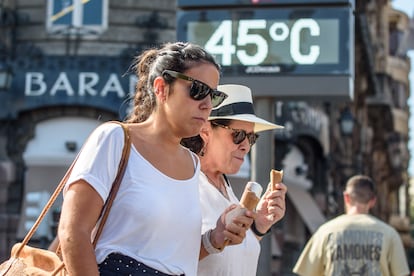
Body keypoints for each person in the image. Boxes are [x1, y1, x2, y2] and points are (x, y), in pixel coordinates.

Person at [57, 42, 255, 276]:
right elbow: (73, 233)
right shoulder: (116, 139)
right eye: (198, 90)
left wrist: (216, 237)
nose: (207, 105)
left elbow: (172, 257)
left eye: (214, 96)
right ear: (161, 88)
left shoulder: (191, 164)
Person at [181, 84, 287, 276]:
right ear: (205, 131)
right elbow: (166, 255)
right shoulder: (184, 182)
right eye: (238, 135)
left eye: (251, 138)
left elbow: (234, 256)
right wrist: (212, 240)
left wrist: (258, 226)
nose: (246, 146)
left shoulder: (227, 190)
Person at [293, 174, 410, 276]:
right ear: (373, 201)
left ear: (346, 197)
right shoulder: (389, 234)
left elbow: (307, 273)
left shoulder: (325, 231)